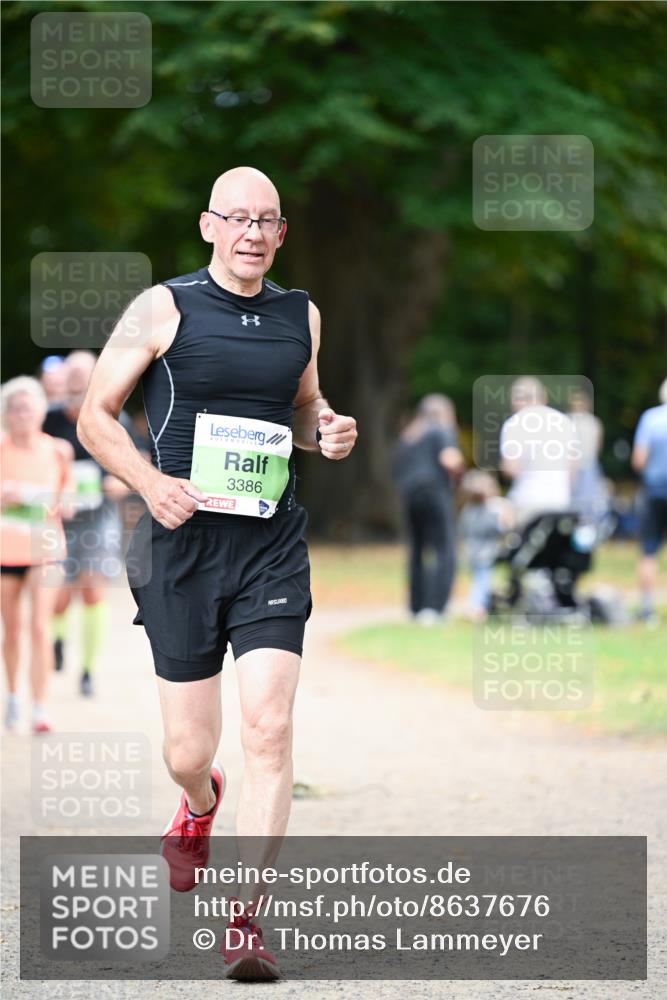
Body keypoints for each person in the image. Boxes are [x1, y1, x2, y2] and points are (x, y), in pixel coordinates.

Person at [76, 166, 357, 981]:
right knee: (186, 748)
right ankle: (199, 803)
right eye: (237, 218)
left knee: (269, 726)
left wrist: (326, 433)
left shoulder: (298, 314)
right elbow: (95, 415)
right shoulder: (162, 307)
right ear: (208, 226)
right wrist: (150, 484)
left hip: (269, 543)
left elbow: (304, 409)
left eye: (267, 220)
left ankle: (246, 923)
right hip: (181, 545)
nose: (253, 233)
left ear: (280, 232)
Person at [43, 351, 131, 696]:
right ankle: (59, 640)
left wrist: (121, 482)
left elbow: (138, 460)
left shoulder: (112, 417)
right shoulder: (47, 420)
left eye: (84, 373)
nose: (77, 380)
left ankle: (88, 671)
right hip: (58, 520)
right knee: (60, 596)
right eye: (72, 374)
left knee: (93, 590)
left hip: (99, 518)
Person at [1, 376, 72, 733]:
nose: (22, 413)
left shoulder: (58, 450)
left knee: (40, 627)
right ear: (6, 414)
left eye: (28, 407)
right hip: (6, 551)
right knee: (11, 630)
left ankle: (41, 708)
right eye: (15, 408)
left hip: (46, 549)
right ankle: (13, 697)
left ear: (41, 411)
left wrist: (40, 498)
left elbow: (69, 499)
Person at [393, 394, 464, 624]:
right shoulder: (439, 429)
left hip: (410, 495)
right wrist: (463, 478)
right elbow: (450, 460)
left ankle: (415, 607)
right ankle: (435, 608)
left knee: (417, 550)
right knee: (445, 549)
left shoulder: (409, 435)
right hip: (434, 492)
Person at [500, 376, 580, 526]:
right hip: (560, 501)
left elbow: (511, 468)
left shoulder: (514, 424)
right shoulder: (565, 422)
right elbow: (572, 471)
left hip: (527, 501)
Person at [632, 377, 667, 624]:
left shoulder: (650, 418)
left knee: (649, 551)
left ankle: (647, 610)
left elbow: (639, 460)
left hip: (654, 491)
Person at [458, 470, 512, 621]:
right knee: (482, 580)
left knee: (478, 579)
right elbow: (499, 528)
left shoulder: (467, 511)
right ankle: (476, 607)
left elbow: (462, 530)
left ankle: (480, 605)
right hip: (484, 553)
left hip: (470, 551)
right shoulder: (489, 511)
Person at [567, 387, 608, 523]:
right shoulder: (594, 422)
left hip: (575, 465)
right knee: (590, 499)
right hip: (588, 464)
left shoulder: (566, 421)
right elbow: (598, 447)